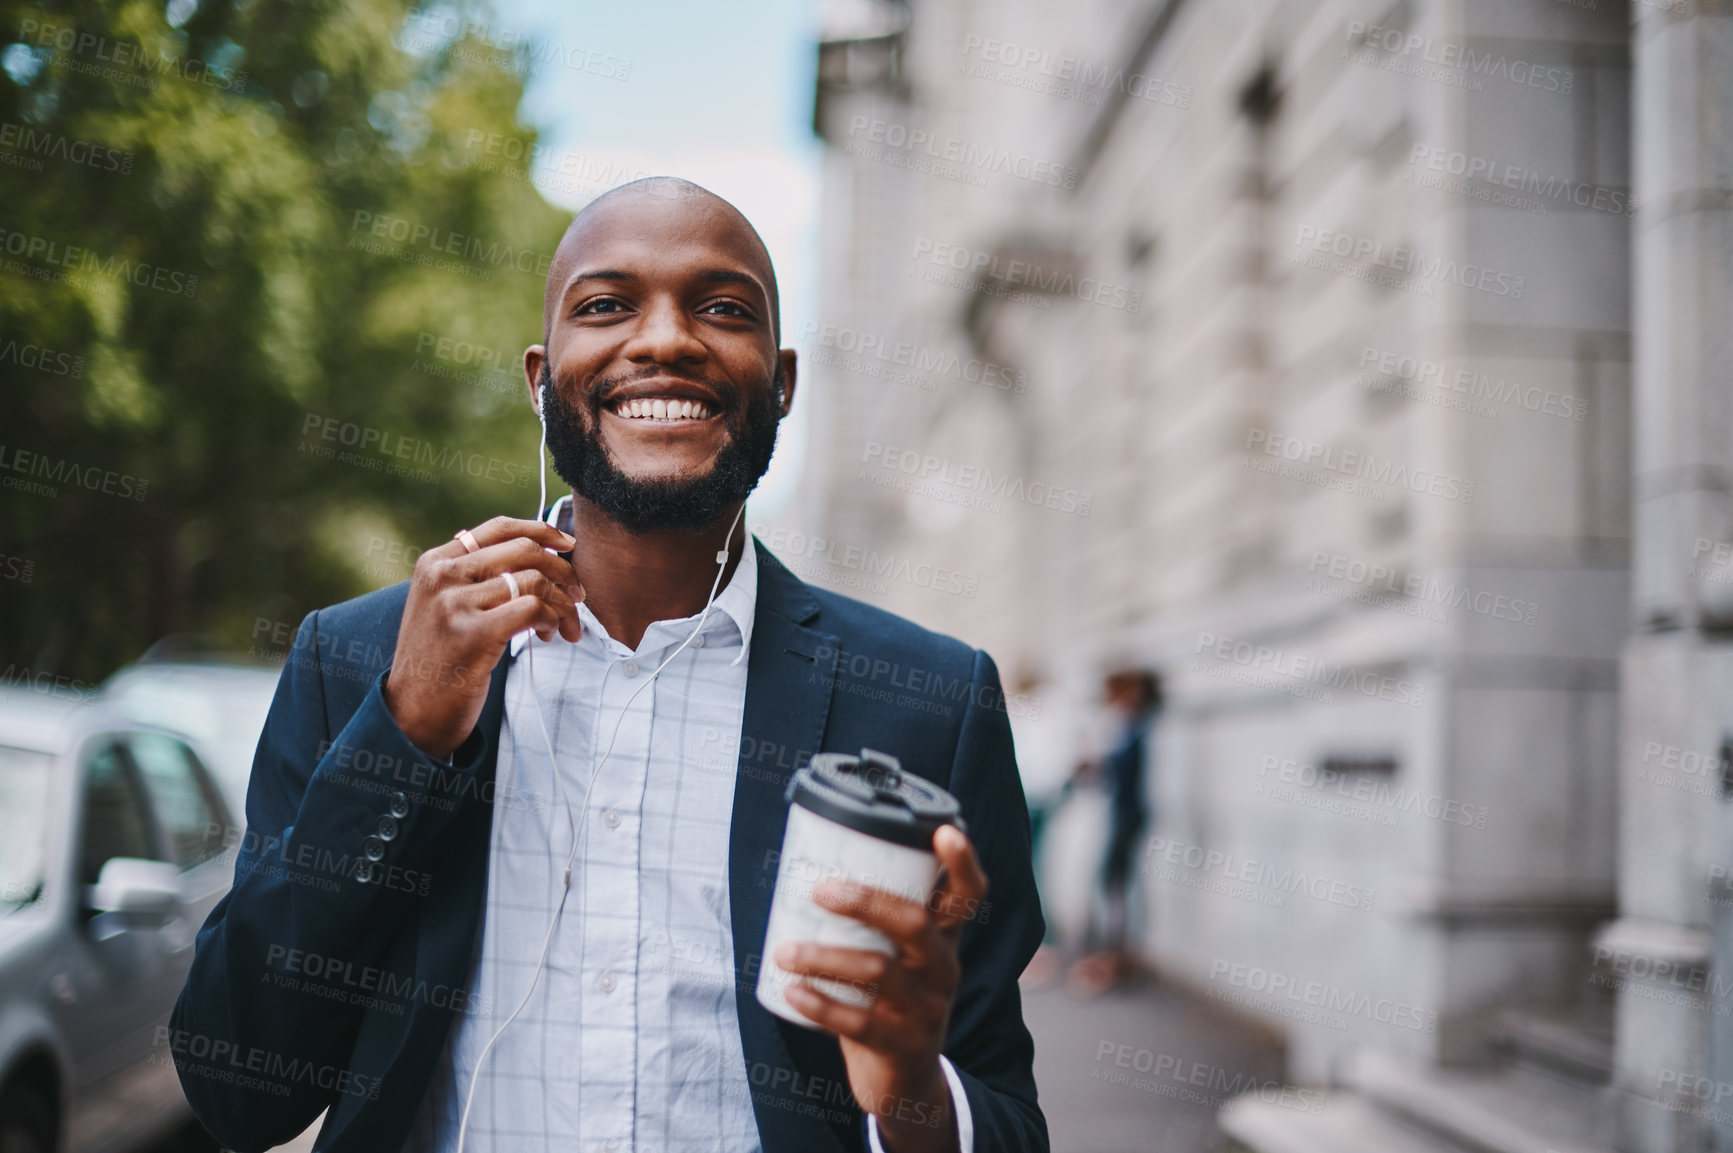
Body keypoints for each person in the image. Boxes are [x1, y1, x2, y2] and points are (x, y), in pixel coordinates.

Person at [170, 178, 1047, 1153]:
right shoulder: (360, 662)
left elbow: (1002, 1117)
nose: (665, 338)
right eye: (606, 305)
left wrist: (910, 1084)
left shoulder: (930, 704)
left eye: (722, 308)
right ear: (541, 379)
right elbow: (237, 1088)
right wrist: (406, 729)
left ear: (783, 380)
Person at [1067, 669, 1160, 995]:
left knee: (1112, 884)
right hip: (1125, 816)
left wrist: (1092, 764)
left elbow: (1117, 766)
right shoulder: (1134, 728)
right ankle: (1116, 955)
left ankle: (1113, 958)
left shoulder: (1136, 729)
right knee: (1115, 884)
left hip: (1126, 819)